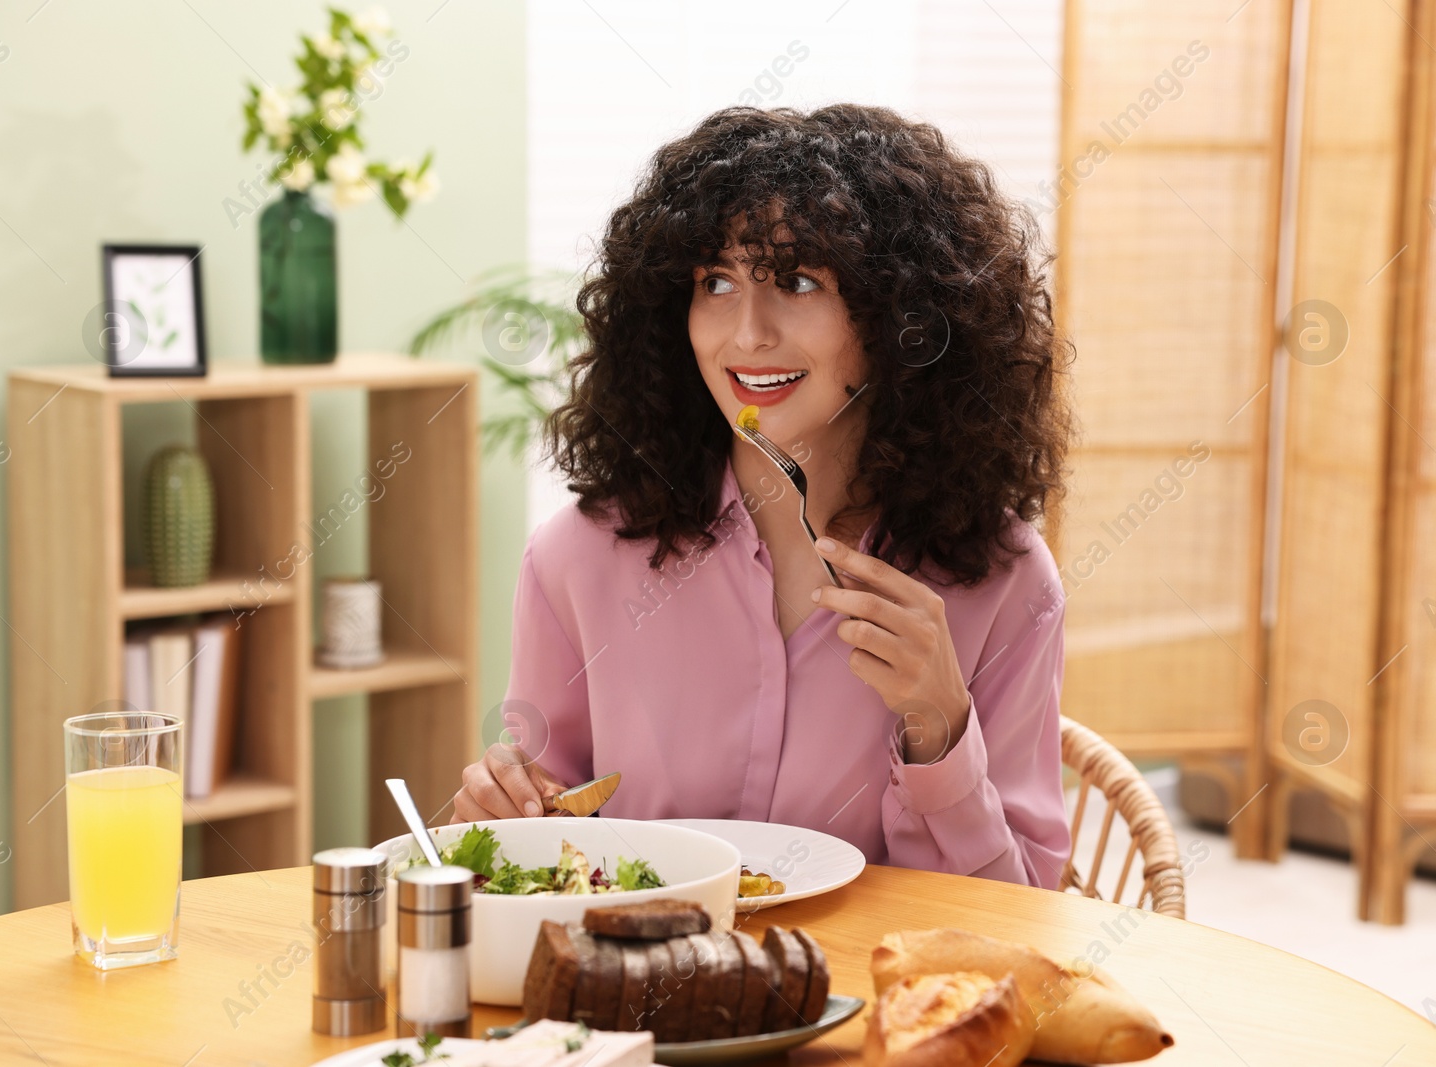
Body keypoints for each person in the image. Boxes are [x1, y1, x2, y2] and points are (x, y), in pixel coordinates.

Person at [452, 103, 1074, 887]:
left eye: (797, 280)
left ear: (902, 315)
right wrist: (498, 814)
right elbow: (540, 849)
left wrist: (941, 727)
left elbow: (1024, 926)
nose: (746, 333)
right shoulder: (578, 558)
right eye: (715, 281)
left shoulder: (1007, 584)